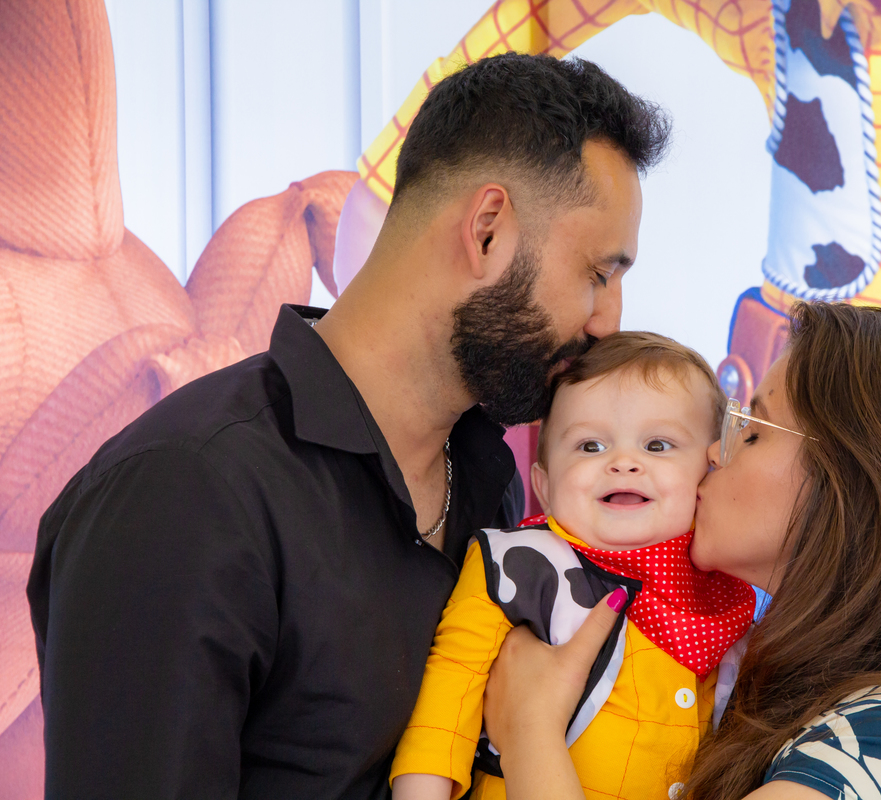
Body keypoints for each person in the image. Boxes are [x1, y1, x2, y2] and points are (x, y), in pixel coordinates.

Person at [26, 53, 669, 799]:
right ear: (488, 230)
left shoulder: (488, 483)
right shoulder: (187, 491)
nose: (609, 321)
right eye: (598, 274)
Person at [480, 301, 881, 800]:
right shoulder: (779, 682)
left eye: (753, 431)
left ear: (857, 487)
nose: (712, 454)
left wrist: (530, 729)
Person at [391, 332, 756, 800]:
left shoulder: (722, 597)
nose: (623, 463)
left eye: (657, 445)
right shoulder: (519, 565)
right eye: (590, 446)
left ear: (711, 471)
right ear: (544, 486)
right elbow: (448, 696)